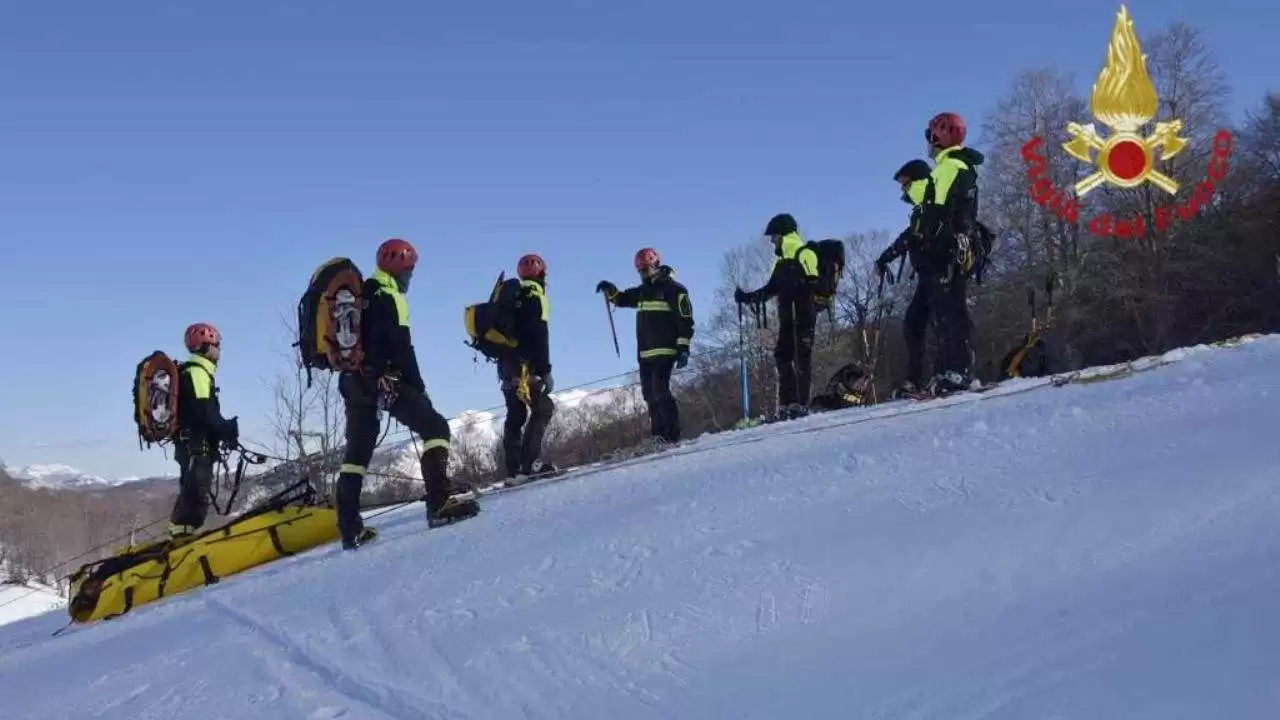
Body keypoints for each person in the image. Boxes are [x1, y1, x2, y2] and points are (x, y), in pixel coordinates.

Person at [334, 238, 478, 549]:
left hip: (352, 380)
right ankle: (439, 501)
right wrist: (419, 389)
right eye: (409, 271)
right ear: (397, 269)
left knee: (356, 456)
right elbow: (402, 349)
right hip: (383, 380)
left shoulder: (362, 294)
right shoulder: (389, 295)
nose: (410, 277)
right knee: (436, 428)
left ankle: (350, 529)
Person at [880, 112, 985, 395]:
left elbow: (949, 211)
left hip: (946, 254)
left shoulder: (950, 167)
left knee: (951, 314)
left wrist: (956, 239)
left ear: (940, 137)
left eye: (930, 136)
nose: (928, 142)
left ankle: (959, 371)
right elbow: (928, 220)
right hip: (937, 256)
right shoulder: (945, 169)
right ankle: (937, 374)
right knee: (924, 319)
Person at [596, 247, 694, 444]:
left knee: (660, 390)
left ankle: (672, 435)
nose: (642, 273)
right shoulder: (642, 292)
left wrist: (683, 348)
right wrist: (610, 289)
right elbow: (622, 298)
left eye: (645, 269)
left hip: (665, 350)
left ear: (656, 265)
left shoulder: (674, 289)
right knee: (649, 394)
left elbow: (685, 320)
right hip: (645, 353)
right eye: (639, 270)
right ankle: (658, 437)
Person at [734, 213, 819, 420]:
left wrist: (802, 296)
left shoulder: (805, 253)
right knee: (782, 356)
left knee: (801, 358)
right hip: (787, 319)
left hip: (803, 317)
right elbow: (769, 290)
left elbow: (814, 285)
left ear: (784, 234)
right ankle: (787, 404)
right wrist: (746, 297)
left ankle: (801, 404)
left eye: (774, 236)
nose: (772, 240)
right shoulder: (779, 264)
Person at [168, 322, 239, 539]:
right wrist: (228, 429)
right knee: (196, 493)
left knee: (192, 491)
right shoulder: (198, 372)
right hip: (196, 447)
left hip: (189, 445)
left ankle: (181, 533)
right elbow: (205, 412)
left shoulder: (192, 371)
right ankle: (182, 536)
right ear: (207, 347)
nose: (219, 352)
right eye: (217, 346)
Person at [498, 253, 558, 483]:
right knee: (543, 408)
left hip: (505, 367)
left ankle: (513, 470)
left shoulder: (510, 297)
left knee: (515, 415)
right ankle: (529, 464)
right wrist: (545, 370)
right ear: (542, 275)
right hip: (526, 367)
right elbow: (540, 335)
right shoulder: (536, 297)